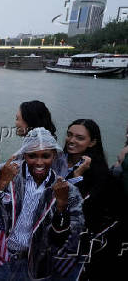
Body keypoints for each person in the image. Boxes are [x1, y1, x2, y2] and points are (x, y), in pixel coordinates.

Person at [0, 128, 84, 280]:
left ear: (54, 155)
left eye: (45, 156)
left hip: (29, 265)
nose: (39, 162)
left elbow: (60, 240)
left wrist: (61, 206)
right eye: (32, 155)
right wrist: (0, 185)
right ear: (23, 154)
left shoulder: (64, 189)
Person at [63, 119, 125, 280]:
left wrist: (77, 176)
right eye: (69, 135)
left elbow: (82, 207)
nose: (71, 140)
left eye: (79, 137)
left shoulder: (100, 174)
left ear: (93, 143)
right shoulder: (56, 160)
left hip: (73, 238)